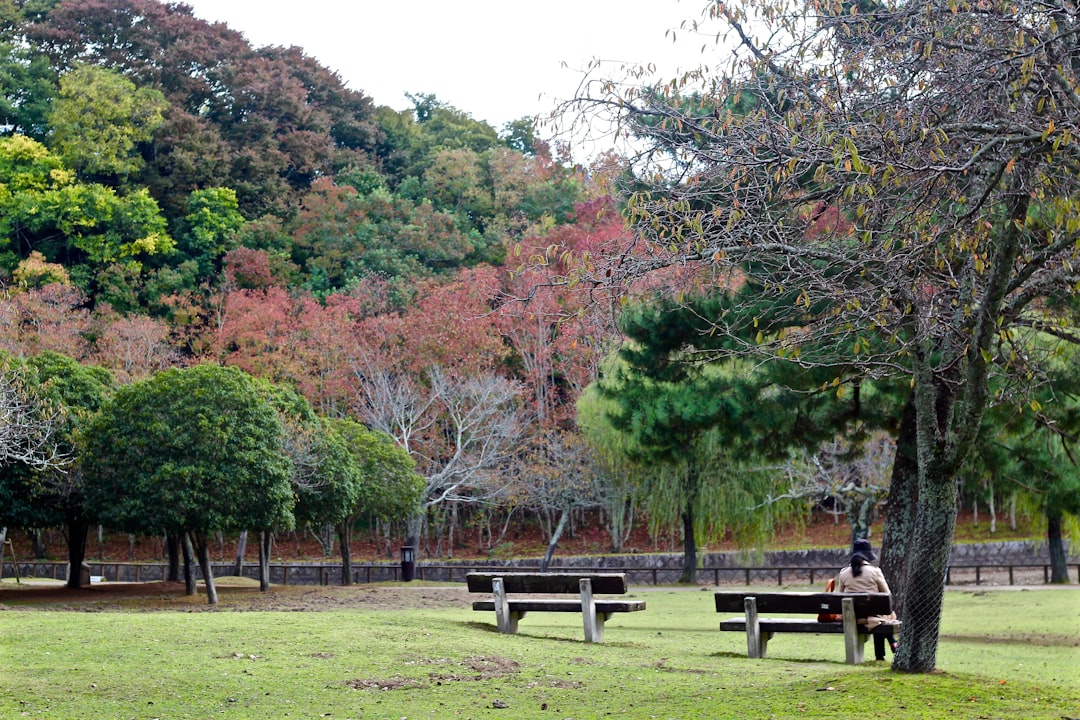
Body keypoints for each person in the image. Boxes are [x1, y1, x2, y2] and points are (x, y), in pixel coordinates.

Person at [835, 538, 900, 660]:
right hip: (872, 617)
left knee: (879, 616)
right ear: (867, 555)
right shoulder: (875, 572)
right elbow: (886, 594)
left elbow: (840, 596)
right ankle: (885, 649)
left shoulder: (843, 573)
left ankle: (888, 647)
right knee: (884, 616)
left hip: (852, 618)